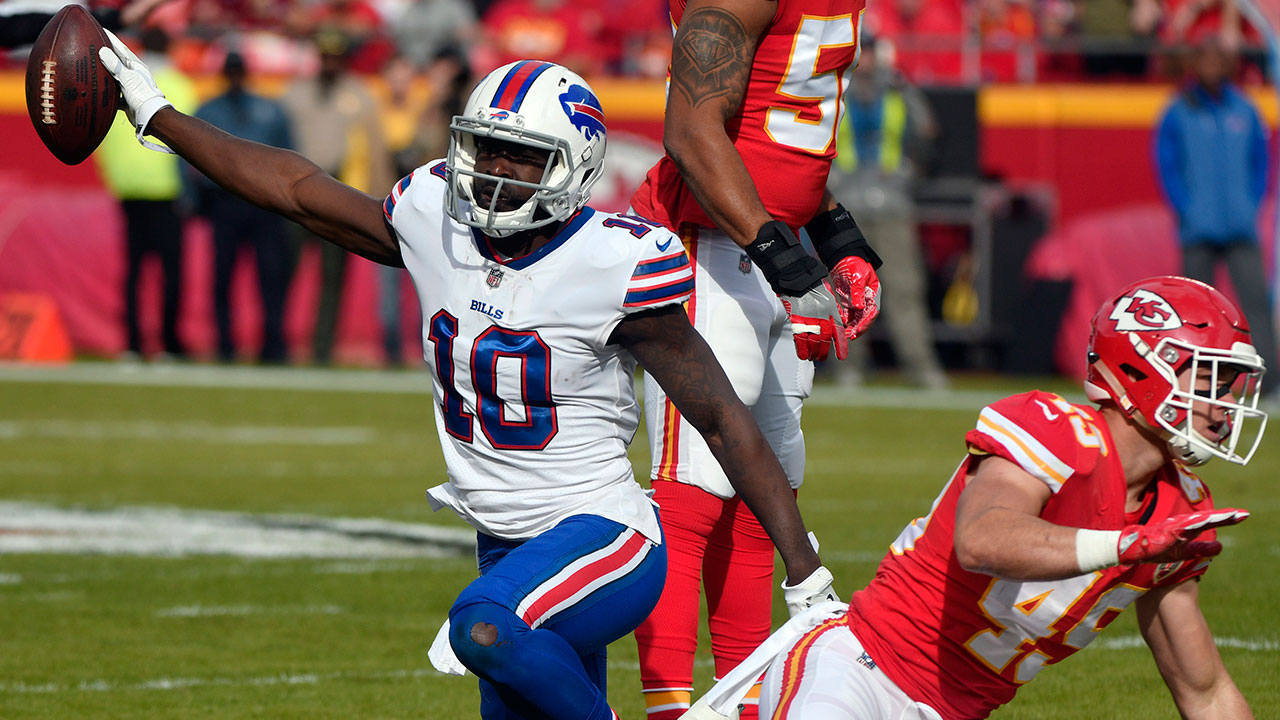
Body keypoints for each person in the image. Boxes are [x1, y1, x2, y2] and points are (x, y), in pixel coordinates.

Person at [97, 43, 841, 719]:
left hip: (606, 540)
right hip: (505, 543)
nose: (492, 170)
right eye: (484, 148)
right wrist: (160, 116)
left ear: (574, 167)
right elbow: (293, 188)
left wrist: (805, 574)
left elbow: (722, 422)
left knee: (482, 627)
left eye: (519, 156)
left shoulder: (613, 265)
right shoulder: (433, 218)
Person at [685, 275, 1269, 720]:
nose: (1225, 404)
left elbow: (1205, 688)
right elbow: (983, 539)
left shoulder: (1179, 508)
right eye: (1211, 379)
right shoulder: (1054, 429)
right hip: (861, 672)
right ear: (1146, 369)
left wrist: (1139, 544)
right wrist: (1126, 544)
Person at [627, 2, 883, 717]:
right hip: (711, 240)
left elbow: (777, 132)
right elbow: (691, 129)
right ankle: (672, 708)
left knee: (762, 501)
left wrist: (839, 240)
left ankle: (745, 704)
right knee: (693, 489)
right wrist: (782, 258)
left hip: (765, 243)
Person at [1154, 35, 1277, 398]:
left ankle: (1267, 383)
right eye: (1205, 60)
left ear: (1227, 66)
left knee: (1255, 304)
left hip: (1240, 225)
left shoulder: (1243, 108)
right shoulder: (1180, 110)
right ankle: (1192, 382)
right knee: (1194, 309)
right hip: (1198, 227)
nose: (1212, 67)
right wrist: (1185, 207)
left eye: (1218, 60)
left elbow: (1261, 161)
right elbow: (1167, 164)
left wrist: (1250, 203)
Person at [829, 34, 948, 391]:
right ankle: (850, 367)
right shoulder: (835, 91)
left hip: (893, 202)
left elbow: (928, 138)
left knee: (904, 289)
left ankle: (920, 366)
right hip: (847, 205)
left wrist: (908, 175)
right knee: (849, 289)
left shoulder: (899, 92)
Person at [279, 30, 392, 365]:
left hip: (340, 190)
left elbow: (375, 151)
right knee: (286, 269)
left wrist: (379, 199)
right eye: (325, 56)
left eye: (335, 57)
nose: (330, 63)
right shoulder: (295, 94)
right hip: (295, 189)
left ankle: (322, 348)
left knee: (332, 277)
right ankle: (276, 342)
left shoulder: (360, 95)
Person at [94, 26, 197, 362]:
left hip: (130, 189)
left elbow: (102, 135)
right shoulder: (181, 85)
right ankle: (169, 343)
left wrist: (116, 179)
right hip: (167, 191)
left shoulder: (119, 81)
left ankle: (134, 344)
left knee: (135, 272)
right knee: (170, 272)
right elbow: (194, 141)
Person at [194, 51, 294, 364]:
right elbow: (193, 158)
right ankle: (225, 344)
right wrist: (199, 201)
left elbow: (288, 155)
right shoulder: (209, 110)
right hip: (226, 203)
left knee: (270, 277)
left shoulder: (269, 109)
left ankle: (273, 344)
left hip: (264, 205)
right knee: (223, 277)